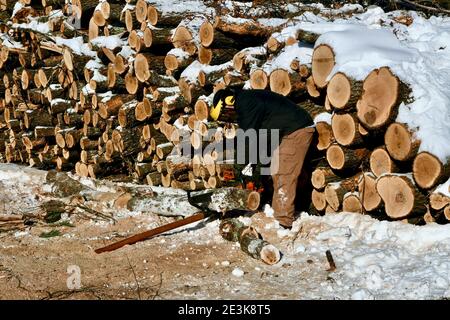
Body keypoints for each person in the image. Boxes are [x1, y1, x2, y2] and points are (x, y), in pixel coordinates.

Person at [211, 87, 315, 229]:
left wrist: (242, 167)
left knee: (284, 173)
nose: (228, 118)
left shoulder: (246, 102)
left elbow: (248, 139)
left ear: (228, 103)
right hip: (286, 131)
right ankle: (284, 209)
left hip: (296, 130)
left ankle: (284, 223)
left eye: (225, 114)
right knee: (275, 169)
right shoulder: (247, 102)